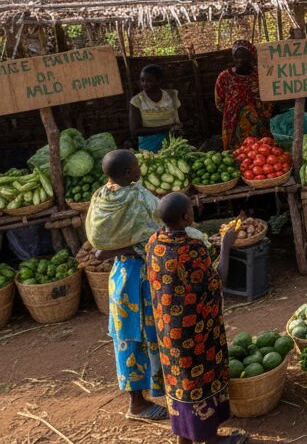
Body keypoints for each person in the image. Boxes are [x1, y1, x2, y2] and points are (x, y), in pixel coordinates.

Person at [147, 192, 244, 444]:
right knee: (200, 381)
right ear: (185, 217)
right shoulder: (191, 249)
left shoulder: (154, 242)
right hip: (196, 331)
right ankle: (211, 439)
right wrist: (226, 245)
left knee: (180, 382)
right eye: (190, 210)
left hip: (168, 331)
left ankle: (185, 438)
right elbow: (216, 280)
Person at [87, 150, 167, 424]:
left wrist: (113, 250)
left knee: (136, 335)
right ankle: (136, 404)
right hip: (138, 276)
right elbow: (155, 225)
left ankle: (151, 394)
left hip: (122, 275)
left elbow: (102, 243)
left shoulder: (102, 197)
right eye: (135, 166)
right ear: (127, 173)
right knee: (133, 338)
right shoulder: (134, 197)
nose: (138, 169)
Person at [214, 40, 270, 150]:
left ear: (251, 57)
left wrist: (261, 112)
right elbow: (219, 102)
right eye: (237, 57)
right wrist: (234, 112)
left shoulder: (260, 75)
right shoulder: (224, 77)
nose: (240, 60)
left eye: (244, 57)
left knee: (260, 154)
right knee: (235, 155)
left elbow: (269, 97)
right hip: (232, 125)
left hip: (259, 124)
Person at [129, 65, 181, 152]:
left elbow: (180, 119)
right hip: (148, 148)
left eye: (149, 80)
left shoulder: (171, 96)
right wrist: (166, 128)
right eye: (142, 80)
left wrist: (178, 127)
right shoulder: (137, 101)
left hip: (173, 144)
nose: (144, 84)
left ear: (159, 81)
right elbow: (135, 131)